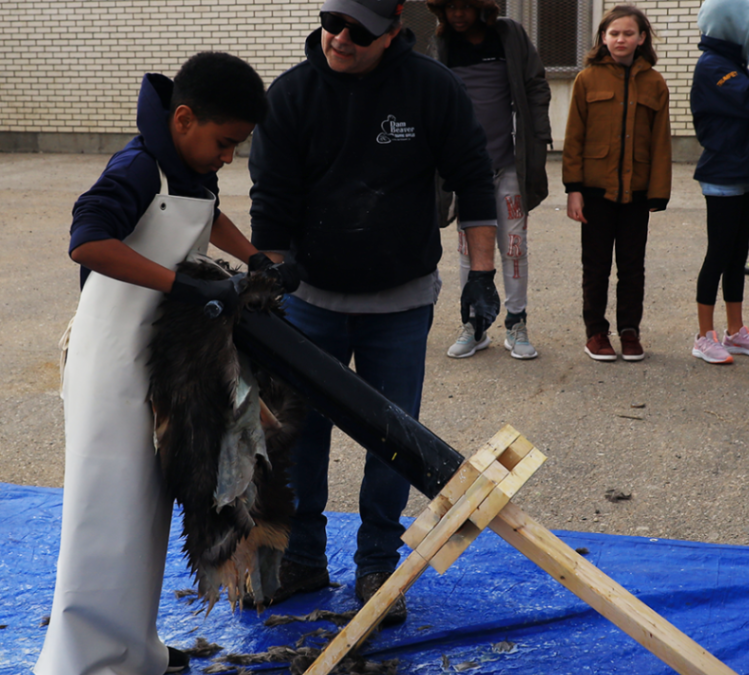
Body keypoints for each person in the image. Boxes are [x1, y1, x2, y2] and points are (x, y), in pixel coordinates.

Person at [248, 0, 498, 624]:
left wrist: (484, 273)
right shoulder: (292, 95)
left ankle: (377, 566)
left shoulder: (430, 87)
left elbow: (474, 178)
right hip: (311, 302)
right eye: (331, 21)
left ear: (393, 31)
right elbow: (270, 205)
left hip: (400, 300)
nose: (338, 38)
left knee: (394, 440)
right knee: (298, 436)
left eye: (358, 30)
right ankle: (301, 558)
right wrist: (269, 291)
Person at [36, 52, 273, 675]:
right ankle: (80, 662)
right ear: (185, 118)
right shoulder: (138, 166)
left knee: (145, 513)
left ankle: (132, 648)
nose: (228, 158)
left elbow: (206, 212)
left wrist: (257, 258)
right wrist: (179, 285)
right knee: (104, 513)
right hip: (107, 365)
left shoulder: (185, 164)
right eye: (225, 143)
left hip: (153, 363)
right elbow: (86, 238)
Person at [427, 0, 552, 360]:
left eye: (466, 6)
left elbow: (535, 86)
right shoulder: (442, 44)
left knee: (514, 248)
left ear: (483, 7)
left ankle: (516, 323)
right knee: (469, 250)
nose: (458, 14)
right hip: (467, 171)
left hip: (510, 164)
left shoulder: (509, 35)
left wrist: (538, 139)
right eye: (451, 8)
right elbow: (433, 100)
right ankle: (474, 324)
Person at [562, 5, 671, 362]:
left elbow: (660, 142)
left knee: (632, 266)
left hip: (636, 194)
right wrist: (573, 189)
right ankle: (596, 332)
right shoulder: (587, 80)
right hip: (596, 192)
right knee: (595, 266)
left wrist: (658, 191)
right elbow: (574, 139)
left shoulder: (654, 83)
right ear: (603, 38)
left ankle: (629, 331)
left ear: (641, 39)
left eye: (628, 33)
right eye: (613, 33)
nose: (620, 39)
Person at [689, 0, 749, 365]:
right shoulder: (711, 65)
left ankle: (735, 332)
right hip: (722, 177)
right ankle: (704, 336)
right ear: (731, 27)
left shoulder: (729, 64)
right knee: (718, 254)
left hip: (742, 173)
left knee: (736, 257)